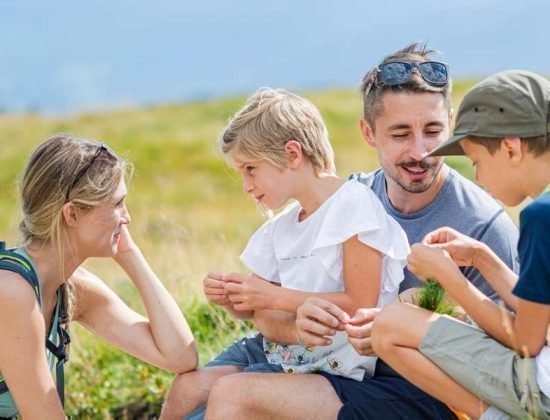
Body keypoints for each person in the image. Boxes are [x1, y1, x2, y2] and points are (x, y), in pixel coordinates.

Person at [198, 44, 520, 419]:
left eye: (433, 131)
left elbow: (509, 359)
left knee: (236, 397)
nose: (420, 151)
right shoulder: (348, 197)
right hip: (329, 369)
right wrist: (295, 323)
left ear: (450, 122)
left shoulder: (483, 226)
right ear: (368, 132)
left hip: (420, 394)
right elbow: (273, 310)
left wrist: (422, 318)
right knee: (193, 397)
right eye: (400, 134)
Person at [160, 87, 411, 419]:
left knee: (228, 393)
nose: (246, 186)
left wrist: (271, 297)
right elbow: (262, 316)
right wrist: (238, 301)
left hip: (331, 369)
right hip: (282, 351)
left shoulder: (352, 204)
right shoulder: (280, 227)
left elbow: (360, 305)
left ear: (293, 154)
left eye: (251, 169)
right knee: (185, 390)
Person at [370, 70, 550, 419]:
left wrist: (451, 279)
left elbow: (529, 340)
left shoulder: (541, 216)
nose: (479, 179)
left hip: (541, 390)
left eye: (477, 162)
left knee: (390, 325)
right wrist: (480, 257)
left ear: (511, 148)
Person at [0, 134, 198, 419]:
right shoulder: (12, 291)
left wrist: (129, 254)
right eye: (117, 204)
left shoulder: (69, 288)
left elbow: (180, 356)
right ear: (72, 215)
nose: (127, 217)